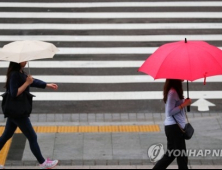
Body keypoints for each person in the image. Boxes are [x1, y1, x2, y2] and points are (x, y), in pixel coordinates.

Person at [1, 62, 59, 169]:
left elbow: (32, 81)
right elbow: (14, 93)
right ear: (18, 61)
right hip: (18, 112)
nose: (26, 61)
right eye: (24, 59)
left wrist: (46, 85)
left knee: (5, 136)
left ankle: (43, 163)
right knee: (32, 137)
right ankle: (43, 163)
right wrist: (27, 83)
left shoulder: (20, 72)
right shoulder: (14, 74)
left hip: (15, 111)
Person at [153, 79, 191, 169]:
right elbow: (169, 112)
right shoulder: (173, 92)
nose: (183, 78)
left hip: (174, 128)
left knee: (173, 155)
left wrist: (184, 102)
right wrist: (184, 104)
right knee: (181, 156)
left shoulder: (175, 91)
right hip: (174, 128)